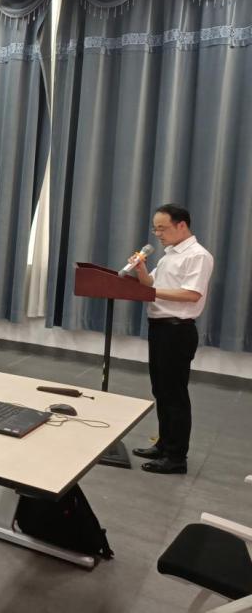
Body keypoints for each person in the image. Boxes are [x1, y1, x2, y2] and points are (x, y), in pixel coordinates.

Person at [128, 203, 214, 476]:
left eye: (162, 228)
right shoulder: (168, 256)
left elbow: (191, 294)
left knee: (175, 394)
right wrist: (141, 269)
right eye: (155, 229)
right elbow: (150, 285)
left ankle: (176, 457)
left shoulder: (198, 256)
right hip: (160, 328)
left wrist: (153, 293)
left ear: (182, 225)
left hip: (177, 331)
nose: (158, 234)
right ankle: (164, 445)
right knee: (161, 391)